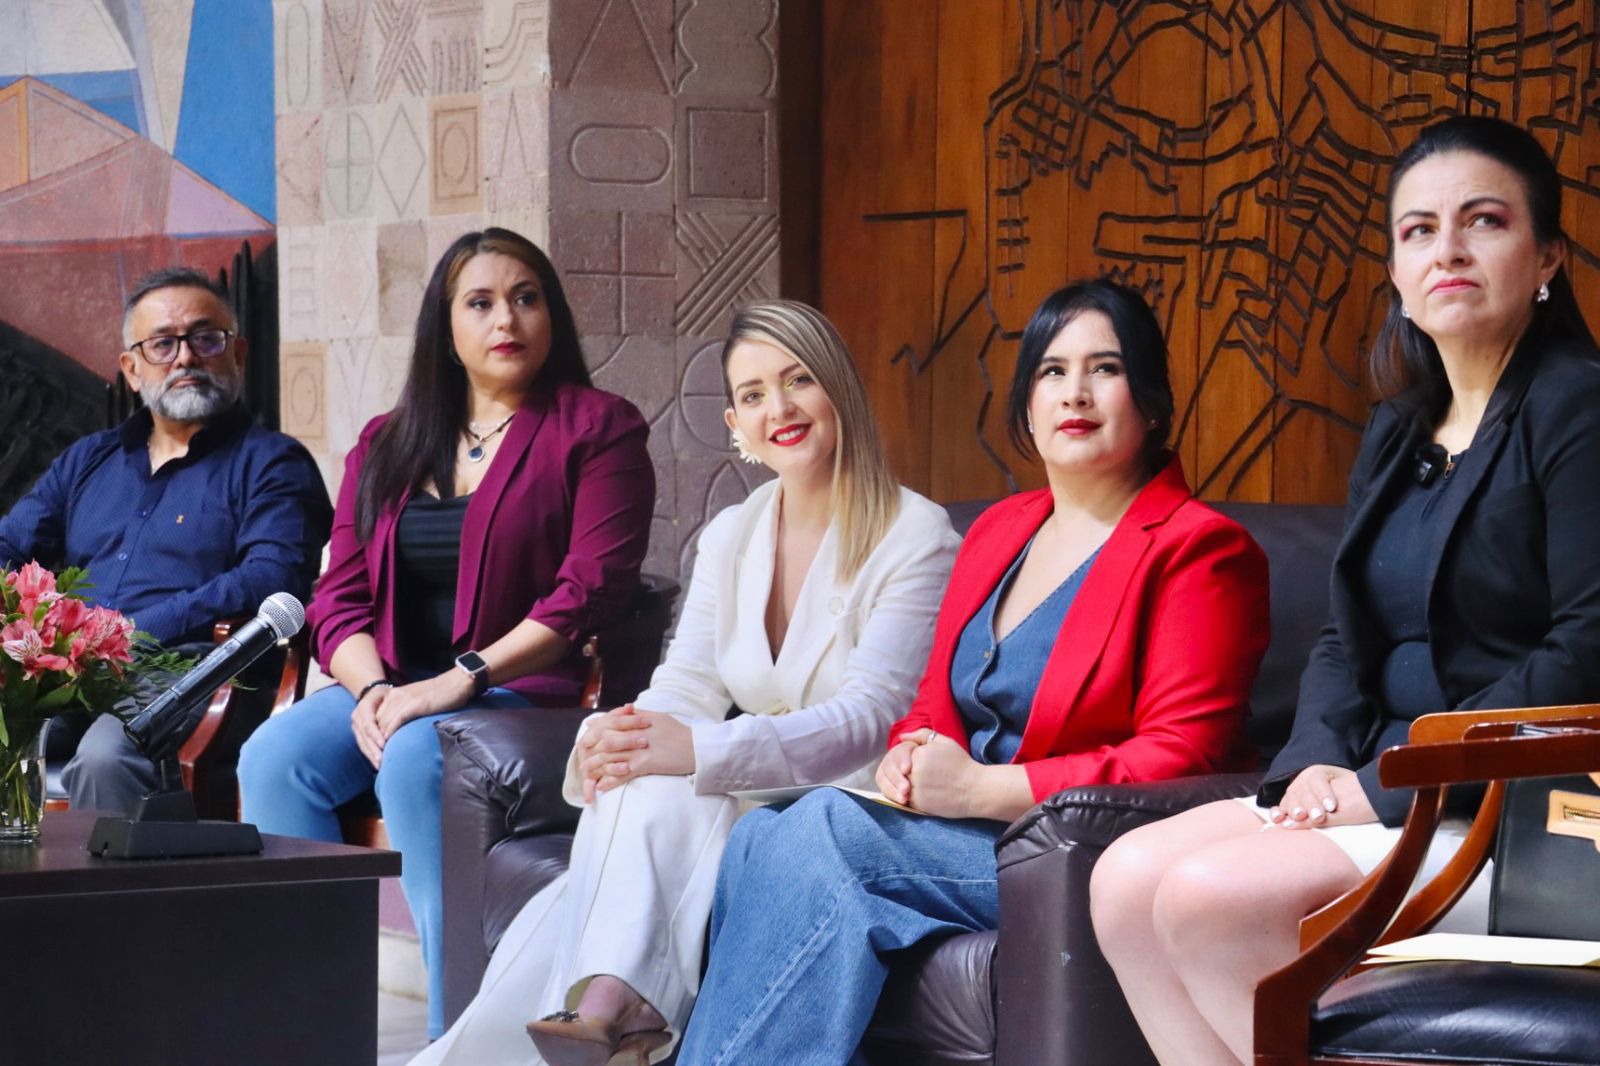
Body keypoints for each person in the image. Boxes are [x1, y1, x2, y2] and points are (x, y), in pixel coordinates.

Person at [1088, 115, 1600, 1066]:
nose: (1447, 249)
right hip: (1382, 785)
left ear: (1546, 258)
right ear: (1397, 273)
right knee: (1123, 881)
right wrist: (1314, 765)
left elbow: (1587, 648)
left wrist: (1387, 780)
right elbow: (1341, 638)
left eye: (1484, 221)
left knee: (1206, 898)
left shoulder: (1579, 403)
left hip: (1514, 812)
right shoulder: (1400, 429)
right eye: (1418, 230)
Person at [674, 279, 1272, 1066]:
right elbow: (933, 702)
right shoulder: (998, 530)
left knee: (823, 832)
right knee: (760, 836)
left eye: (1105, 368)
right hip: (964, 832)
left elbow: (1183, 756)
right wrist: (911, 753)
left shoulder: (1199, 548)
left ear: (1153, 404)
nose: (1075, 393)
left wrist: (985, 790)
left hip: (1079, 848)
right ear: (1027, 403)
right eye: (1052, 371)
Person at [410, 301, 961, 1066]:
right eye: (755, 394)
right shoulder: (732, 532)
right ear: (736, 423)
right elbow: (687, 683)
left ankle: (604, 1006)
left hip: (849, 803)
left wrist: (696, 750)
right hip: (754, 786)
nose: (780, 408)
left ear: (840, 388)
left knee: (657, 782)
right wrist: (627, 734)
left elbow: (872, 717)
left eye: (799, 380)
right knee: (636, 768)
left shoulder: (915, 535)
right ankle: (613, 1009)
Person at [237, 228, 654, 1040]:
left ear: (552, 315)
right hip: (401, 688)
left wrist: (459, 679)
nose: (508, 320)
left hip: (526, 695)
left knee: (421, 755)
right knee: (274, 756)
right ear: (446, 325)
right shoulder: (389, 440)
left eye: (526, 298)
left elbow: (588, 590)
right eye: (482, 302)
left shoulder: (599, 427)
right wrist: (373, 689)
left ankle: (455, 1038)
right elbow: (339, 594)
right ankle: (312, 1033)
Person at [0, 267, 332, 813]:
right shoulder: (88, 460)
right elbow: (11, 548)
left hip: (193, 666)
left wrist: (132, 633)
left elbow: (271, 580)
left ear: (238, 354)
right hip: (73, 669)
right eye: (162, 344)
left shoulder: (273, 463)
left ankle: (110, 876)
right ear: (132, 369)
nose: (185, 358)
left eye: (206, 339)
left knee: (105, 757)